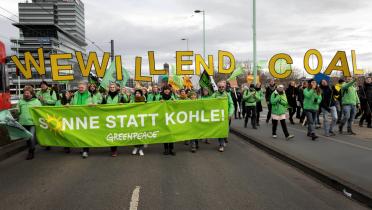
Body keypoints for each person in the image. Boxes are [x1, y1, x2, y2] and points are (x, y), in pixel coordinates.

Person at [69, 82, 96, 158]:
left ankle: (85, 150)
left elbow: (97, 105)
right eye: (79, 87)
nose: (80, 89)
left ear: (86, 88)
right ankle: (83, 147)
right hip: (77, 117)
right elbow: (71, 104)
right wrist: (68, 105)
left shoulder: (91, 95)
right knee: (80, 134)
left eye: (82, 88)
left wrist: (93, 105)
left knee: (85, 134)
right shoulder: (75, 95)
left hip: (87, 118)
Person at [18, 86, 42, 160]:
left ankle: (31, 151)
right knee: (27, 138)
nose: (26, 94)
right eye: (25, 93)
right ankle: (31, 148)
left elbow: (40, 112)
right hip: (23, 122)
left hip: (32, 122)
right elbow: (18, 111)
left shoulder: (36, 102)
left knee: (31, 137)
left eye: (27, 93)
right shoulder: (21, 101)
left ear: (31, 93)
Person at [211, 80, 234, 152]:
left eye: (223, 87)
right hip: (218, 115)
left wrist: (230, 114)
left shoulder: (227, 95)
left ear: (225, 87)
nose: (221, 88)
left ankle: (224, 139)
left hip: (227, 116)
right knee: (220, 130)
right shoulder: (214, 95)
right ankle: (221, 144)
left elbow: (231, 105)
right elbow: (208, 103)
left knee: (226, 129)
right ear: (218, 87)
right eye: (220, 87)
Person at [104, 83, 121, 157]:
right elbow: (101, 105)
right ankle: (113, 150)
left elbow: (127, 103)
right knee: (111, 133)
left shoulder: (120, 96)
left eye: (113, 87)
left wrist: (123, 103)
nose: (112, 88)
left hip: (118, 117)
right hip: (109, 118)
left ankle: (115, 148)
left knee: (116, 133)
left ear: (116, 88)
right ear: (109, 88)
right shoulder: (106, 96)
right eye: (110, 87)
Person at [161, 85, 176, 155]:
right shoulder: (160, 96)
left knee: (171, 133)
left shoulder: (172, 96)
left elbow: (178, 103)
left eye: (168, 89)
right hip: (163, 117)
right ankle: (166, 149)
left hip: (171, 117)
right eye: (165, 89)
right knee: (165, 133)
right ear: (163, 90)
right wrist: (159, 102)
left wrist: (175, 101)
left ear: (170, 90)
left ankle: (171, 149)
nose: (167, 90)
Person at [131, 89, 146, 156]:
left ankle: (141, 149)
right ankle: (135, 148)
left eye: (138, 93)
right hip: (134, 119)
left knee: (141, 134)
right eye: (136, 93)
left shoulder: (144, 100)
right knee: (135, 134)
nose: (137, 94)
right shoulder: (132, 100)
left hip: (142, 119)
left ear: (141, 94)